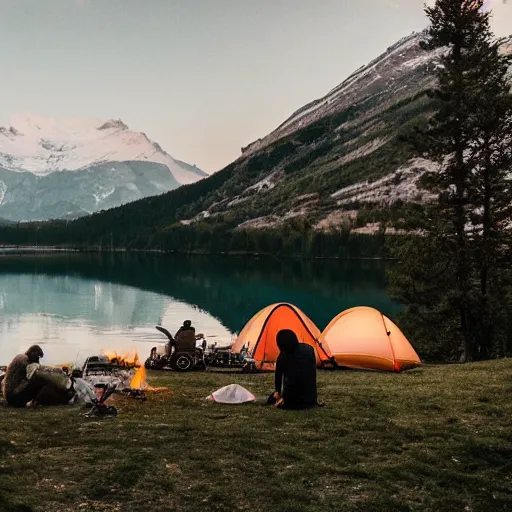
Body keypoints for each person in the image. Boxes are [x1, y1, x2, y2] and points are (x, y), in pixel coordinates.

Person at [2, 345, 74, 407]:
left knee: (41, 378)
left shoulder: (21, 357)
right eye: (37, 358)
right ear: (32, 354)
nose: (38, 360)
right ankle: (38, 402)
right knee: (41, 379)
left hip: (11, 395)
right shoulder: (24, 360)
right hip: (14, 397)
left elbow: (39, 368)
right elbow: (37, 371)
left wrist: (56, 370)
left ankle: (44, 400)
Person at [273, 329, 317, 410]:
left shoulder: (287, 356)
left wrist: (282, 396)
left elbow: (293, 380)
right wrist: (278, 391)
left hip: (296, 402)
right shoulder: (309, 349)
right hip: (311, 399)